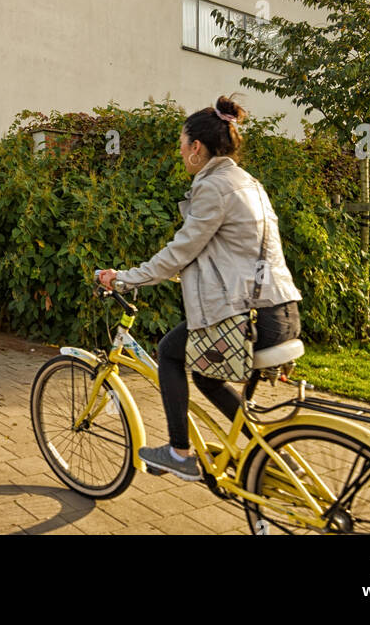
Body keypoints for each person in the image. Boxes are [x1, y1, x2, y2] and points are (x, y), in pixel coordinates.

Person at [97, 96, 302, 481]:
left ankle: (178, 453)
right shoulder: (246, 182)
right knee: (206, 375)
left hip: (248, 317)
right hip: (281, 310)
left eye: (181, 145)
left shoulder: (214, 187)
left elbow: (181, 250)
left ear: (196, 147)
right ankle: (269, 450)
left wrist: (125, 276)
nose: (180, 154)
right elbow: (226, 253)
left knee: (169, 354)